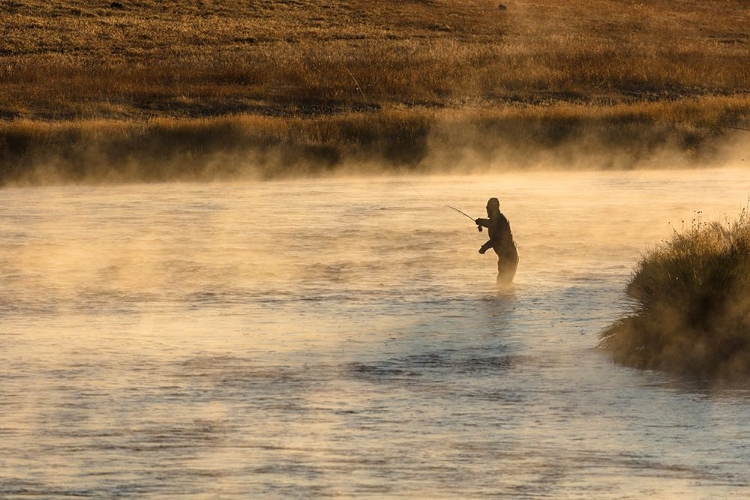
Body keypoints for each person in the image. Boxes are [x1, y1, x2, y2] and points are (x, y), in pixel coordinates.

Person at [475, 197, 519, 284]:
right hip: (507, 257)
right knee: (503, 284)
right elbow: (491, 224)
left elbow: (496, 240)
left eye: (488, 207)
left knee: (503, 283)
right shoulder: (497, 219)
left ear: (493, 208)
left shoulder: (500, 220)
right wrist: (481, 222)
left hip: (509, 257)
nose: (487, 209)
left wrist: (484, 248)